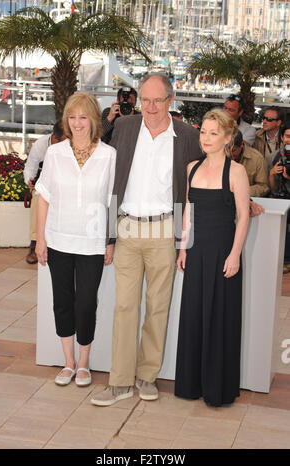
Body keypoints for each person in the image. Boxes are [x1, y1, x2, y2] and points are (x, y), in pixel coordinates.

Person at [90, 73, 202, 407]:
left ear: (171, 100)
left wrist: (184, 240)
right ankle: (120, 382)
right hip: (126, 228)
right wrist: (109, 236)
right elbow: (111, 183)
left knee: (157, 308)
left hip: (164, 230)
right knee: (124, 306)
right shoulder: (124, 129)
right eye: (146, 99)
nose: (151, 107)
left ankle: (147, 376)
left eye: (158, 100)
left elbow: (192, 188)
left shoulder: (186, 136)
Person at [35, 92, 116, 387]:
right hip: (58, 240)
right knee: (63, 301)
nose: (78, 123)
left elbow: (112, 201)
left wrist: (111, 240)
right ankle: (67, 362)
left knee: (85, 303)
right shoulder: (56, 153)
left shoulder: (109, 155)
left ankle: (84, 363)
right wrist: (40, 239)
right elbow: (43, 196)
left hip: (92, 243)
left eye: (83, 117)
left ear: (94, 119)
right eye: (72, 117)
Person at [175, 108, 250, 407]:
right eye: (203, 132)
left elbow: (243, 216)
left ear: (227, 137)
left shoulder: (236, 172)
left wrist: (235, 255)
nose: (205, 138)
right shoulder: (192, 167)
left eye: (213, 133)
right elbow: (188, 213)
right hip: (195, 252)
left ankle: (218, 389)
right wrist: (182, 247)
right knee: (193, 316)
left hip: (222, 253)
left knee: (219, 319)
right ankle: (191, 385)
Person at [24, 122, 66, 264]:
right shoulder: (40, 145)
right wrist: (29, 180)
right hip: (44, 185)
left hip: (64, 186)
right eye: (61, 141)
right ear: (54, 137)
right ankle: (35, 242)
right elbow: (30, 168)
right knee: (38, 196)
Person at [268, 122, 290, 273]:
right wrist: (272, 173)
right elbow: (271, 188)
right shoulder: (273, 156)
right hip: (279, 198)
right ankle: (283, 260)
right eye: (288, 136)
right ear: (282, 137)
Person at [230, 130, 269, 197]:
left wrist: (242, 192)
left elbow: (263, 187)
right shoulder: (218, 156)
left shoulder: (257, 158)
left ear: (242, 144)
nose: (230, 154)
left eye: (233, 151)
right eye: (227, 150)